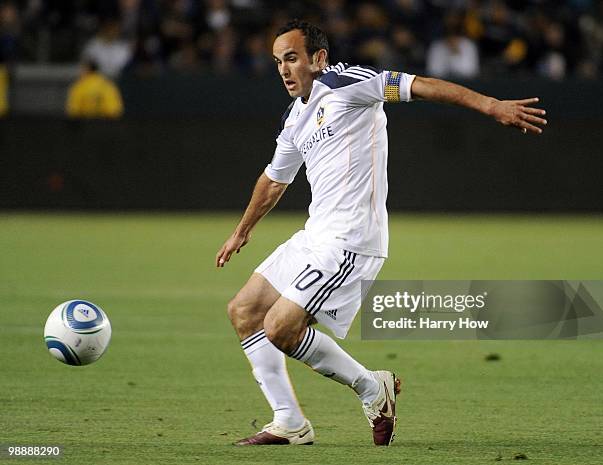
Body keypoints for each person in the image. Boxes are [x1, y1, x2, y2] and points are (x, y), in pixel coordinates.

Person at [215, 19, 546, 447]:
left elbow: (420, 85)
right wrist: (241, 231)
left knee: (280, 327)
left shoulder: (349, 83)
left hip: (351, 241)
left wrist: (491, 106)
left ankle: (372, 387)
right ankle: (289, 422)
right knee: (243, 311)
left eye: (292, 58)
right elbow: (275, 179)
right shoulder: (295, 116)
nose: (283, 69)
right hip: (314, 236)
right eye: (279, 61)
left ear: (318, 58)